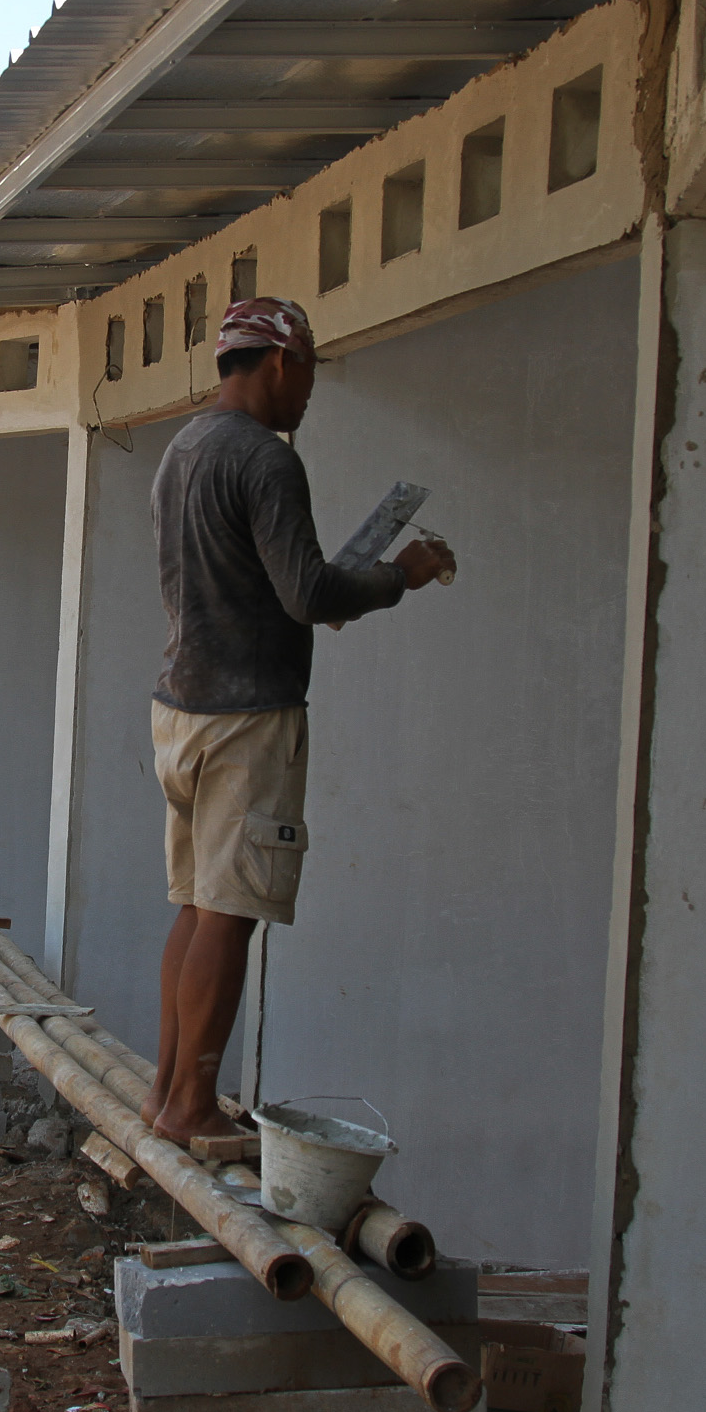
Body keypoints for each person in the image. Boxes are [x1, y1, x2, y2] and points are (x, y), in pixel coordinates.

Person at [141, 296, 454, 1144]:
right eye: (309, 373)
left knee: (196, 905)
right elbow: (309, 593)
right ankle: (193, 1109)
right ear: (281, 362)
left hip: (180, 711)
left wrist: (317, 594)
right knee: (230, 911)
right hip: (248, 720)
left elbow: (252, 584)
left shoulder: (185, 449)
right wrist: (403, 573)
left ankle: (165, 1095)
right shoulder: (269, 461)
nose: (309, 392)